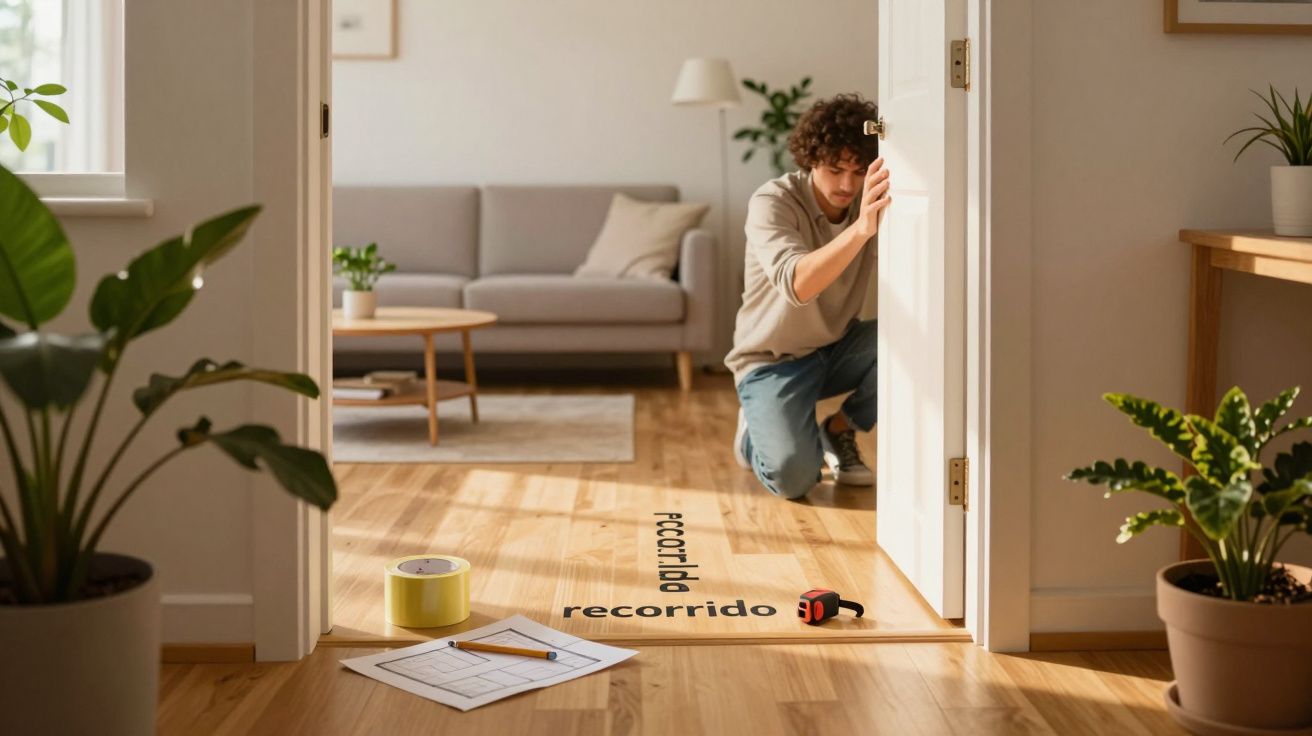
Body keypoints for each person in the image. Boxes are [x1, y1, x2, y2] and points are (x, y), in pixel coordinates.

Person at [725, 93, 891, 500]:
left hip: (835, 349)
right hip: (771, 362)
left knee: (922, 344)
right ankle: (753, 434)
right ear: (811, 159)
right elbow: (796, 284)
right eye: (836, 170)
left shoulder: (866, 200)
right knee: (794, 479)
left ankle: (839, 430)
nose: (848, 185)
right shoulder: (773, 202)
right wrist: (862, 229)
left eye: (858, 171)